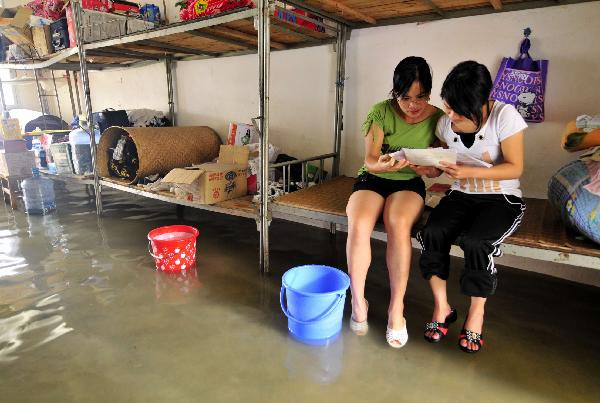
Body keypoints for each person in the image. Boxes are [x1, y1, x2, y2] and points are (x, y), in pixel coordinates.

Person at [417, 61, 527, 353]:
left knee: (478, 242)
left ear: (479, 103)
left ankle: (476, 314)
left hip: (501, 198)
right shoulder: (444, 122)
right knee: (433, 232)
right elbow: (441, 165)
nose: (449, 115)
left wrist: (470, 173)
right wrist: (425, 168)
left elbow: (515, 168)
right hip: (460, 195)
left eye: (457, 110)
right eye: (447, 106)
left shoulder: (505, 116)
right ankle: (442, 308)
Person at [346, 56, 443, 348]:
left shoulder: (439, 118)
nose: (413, 105)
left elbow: (437, 167)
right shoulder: (380, 112)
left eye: (421, 97)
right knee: (359, 221)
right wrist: (384, 165)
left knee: (398, 223)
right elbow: (369, 160)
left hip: (409, 183)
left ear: (429, 93)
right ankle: (358, 300)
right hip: (373, 178)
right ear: (394, 93)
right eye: (405, 98)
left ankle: (396, 308)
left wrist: (427, 169)